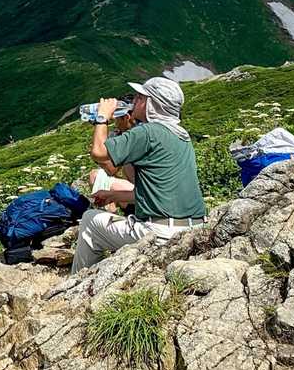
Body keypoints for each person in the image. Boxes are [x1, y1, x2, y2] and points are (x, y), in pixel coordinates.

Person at [71, 76, 206, 272]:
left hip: (161, 233)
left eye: (140, 97)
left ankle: (78, 281)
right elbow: (157, 193)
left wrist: (102, 117)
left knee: (91, 220)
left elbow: (99, 152)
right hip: (193, 230)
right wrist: (113, 195)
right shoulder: (180, 135)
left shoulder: (148, 132)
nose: (134, 100)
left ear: (152, 104)